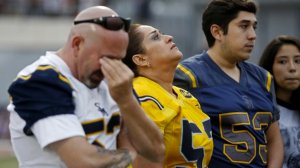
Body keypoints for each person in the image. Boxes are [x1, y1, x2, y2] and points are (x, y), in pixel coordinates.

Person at [7, 6, 164, 168]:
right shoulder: (40, 81)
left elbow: (156, 151)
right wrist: (130, 153)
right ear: (77, 44)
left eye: (119, 59)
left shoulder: (116, 81)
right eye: (107, 57)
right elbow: (83, 161)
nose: (112, 66)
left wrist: (126, 99)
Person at [174, 0, 284, 167]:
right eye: (244, 26)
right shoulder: (188, 76)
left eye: (254, 27)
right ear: (217, 32)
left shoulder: (263, 78)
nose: (253, 35)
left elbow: (274, 140)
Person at [123, 24, 214, 168]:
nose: (169, 37)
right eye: (156, 37)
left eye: (162, 33)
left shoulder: (185, 96)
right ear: (141, 59)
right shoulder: (140, 94)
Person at [259, 35, 300, 168]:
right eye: (282, 62)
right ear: (269, 67)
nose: (292, 68)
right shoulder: (260, 111)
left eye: (298, 61)